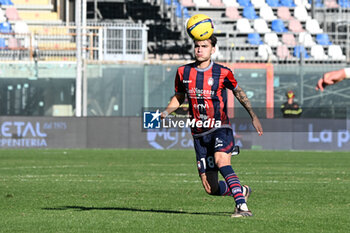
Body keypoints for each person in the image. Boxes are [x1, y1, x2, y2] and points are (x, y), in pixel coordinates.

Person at [160, 35, 263, 218]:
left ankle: (242, 206)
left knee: (221, 161)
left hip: (220, 127)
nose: (200, 49)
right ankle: (240, 190)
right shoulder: (183, 72)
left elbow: (238, 93)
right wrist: (166, 112)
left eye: (204, 46)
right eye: (197, 46)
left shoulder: (223, 72)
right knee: (211, 188)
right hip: (199, 133)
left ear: (213, 49)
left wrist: (253, 115)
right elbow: (179, 97)